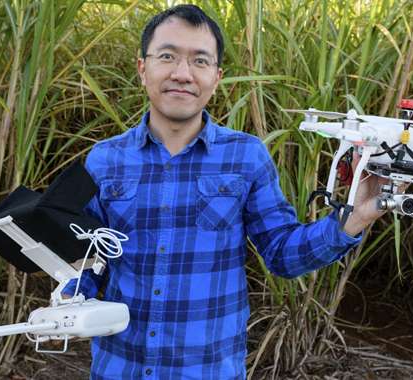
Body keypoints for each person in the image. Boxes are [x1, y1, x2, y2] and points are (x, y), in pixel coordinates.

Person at [63, 4, 385, 379]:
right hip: (119, 368)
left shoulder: (245, 156)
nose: (182, 74)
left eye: (199, 61)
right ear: (142, 68)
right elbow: (87, 260)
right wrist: (67, 298)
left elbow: (282, 254)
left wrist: (354, 218)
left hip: (209, 370)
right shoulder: (105, 160)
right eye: (167, 56)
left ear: (216, 78)